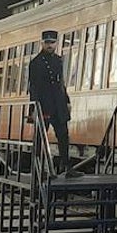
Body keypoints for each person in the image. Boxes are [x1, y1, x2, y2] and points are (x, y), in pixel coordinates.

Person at [28, 30, 81, 178]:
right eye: (47, 43)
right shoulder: (36, 63)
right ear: (42, 43)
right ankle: (37, 169)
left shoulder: (58, 60)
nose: (50, 45)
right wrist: (34, 107)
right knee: (40, 139)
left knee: (63, 136)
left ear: (56, 43)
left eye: (52, 42)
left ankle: (67, 167)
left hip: (59, 104)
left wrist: (67, 101)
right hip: (44, 105)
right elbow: (34, 87)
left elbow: (61, 83)